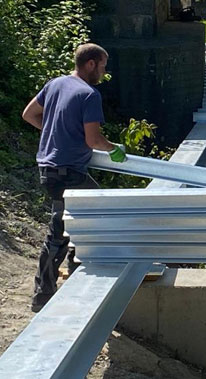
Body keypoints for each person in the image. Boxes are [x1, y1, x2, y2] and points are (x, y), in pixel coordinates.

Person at [21, 43, 127, 312]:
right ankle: (45, 294)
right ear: (90, 64)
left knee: (76, 220)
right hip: (68, 172)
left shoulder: (56, 84)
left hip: (50, 169)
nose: (104, 71)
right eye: (103, 65)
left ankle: (72, 272)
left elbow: (29, 114)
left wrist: (57, 131)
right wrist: (114, 150)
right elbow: (93, 140)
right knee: (70, 225)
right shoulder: (89, 94)